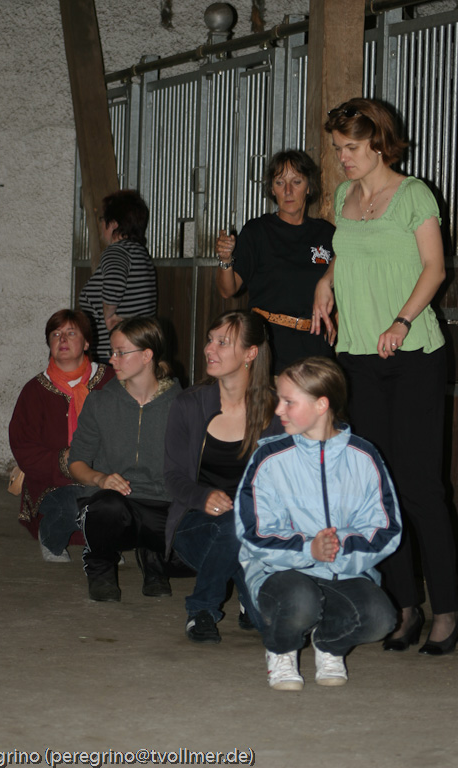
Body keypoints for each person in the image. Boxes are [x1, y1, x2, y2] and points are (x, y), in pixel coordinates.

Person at [312, 96, 458, 655]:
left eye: (350, 147)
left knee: (421, 487)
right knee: (379, 487)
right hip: (358, 356)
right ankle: (406, 606)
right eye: (337, 149)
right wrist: (326, 279)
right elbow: (347, 252)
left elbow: (434, 268)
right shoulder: (345, 197)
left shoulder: (414, 194)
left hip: (413, 354)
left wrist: (401, 320)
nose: (342, 158)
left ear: (379, 143)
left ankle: (447, 609)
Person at [235, 357, 401, 690]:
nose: (278, 410)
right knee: (301, 601)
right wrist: (308, 549)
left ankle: (329, 645)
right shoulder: (269, 457)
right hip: (279, 571)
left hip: (345, 569)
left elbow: (386, 528)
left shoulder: (365, 456)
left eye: (288, 402)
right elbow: (253, 532)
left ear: (321, 405)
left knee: (381, 618)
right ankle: (281, 650)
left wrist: (337, 548)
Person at [164, 309, 283, 643]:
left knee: (273, 624)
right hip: (195, 523)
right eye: (209, 340)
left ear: (250, 353)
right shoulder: (189, 404)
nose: (208, 349)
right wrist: (202, 496)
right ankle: (201, 609)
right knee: (233, 523)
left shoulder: (277, 411)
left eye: (222, 342)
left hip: (257, 530)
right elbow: (172, 476)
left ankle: (247, 592)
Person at [68, 317, 181, 601]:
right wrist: (100, 478)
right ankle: (101, 568)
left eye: (120, 352)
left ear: (147, 355)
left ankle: (154, 559)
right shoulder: (100, 402)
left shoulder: (182, 405)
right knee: (106, 507)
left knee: (198, 548)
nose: (112, 359)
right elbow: (76, 462)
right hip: (115, 504)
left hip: (161, 504)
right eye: (112, 351)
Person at [215, 150, 335, 374]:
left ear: (309, 187)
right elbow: (227, 290)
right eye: (280, 183)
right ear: (272, 189)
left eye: (296, 182)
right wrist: (225, 260)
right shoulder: (257, 231)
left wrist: (336, 317)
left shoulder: (326, 233)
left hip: (316, 348)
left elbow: (344, 279)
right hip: (269, 346)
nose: (288, 191)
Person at [9, 309, 113, 562]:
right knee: (74, 502)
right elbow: (23, 447)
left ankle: (104, 542)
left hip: (105, 473)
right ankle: (51, 537)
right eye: (56, 334)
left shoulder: (110, 380)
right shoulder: (35, 390)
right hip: (52, 481)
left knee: (118, 499)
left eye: (71, 333)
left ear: (86, 342)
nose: (62, 339)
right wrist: (64, 461)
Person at [78, 190, 157, 363]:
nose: (101, 225)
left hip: (113, 354)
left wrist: (109, 317)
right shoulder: (140, 253)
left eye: (102, 219)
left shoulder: (117, 251)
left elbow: (114, 286)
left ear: (113, 224)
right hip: (133, 350)